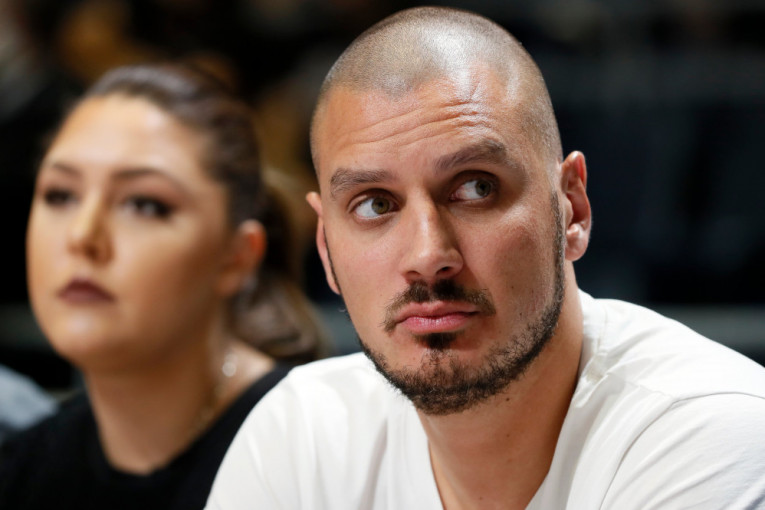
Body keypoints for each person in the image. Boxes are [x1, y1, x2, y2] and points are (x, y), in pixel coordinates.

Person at [206, 6, 765, 510]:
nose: (428, 255)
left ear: (571, 208)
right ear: (326, 247)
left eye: (475, 188)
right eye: (375, 205)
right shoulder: (300, 439)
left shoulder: (712, 433)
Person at [0, 62, 326, 509]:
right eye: (61, 195)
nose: (82, 235)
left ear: (237, 256)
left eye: (144, 204)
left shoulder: (321, 454)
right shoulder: (24, 468)